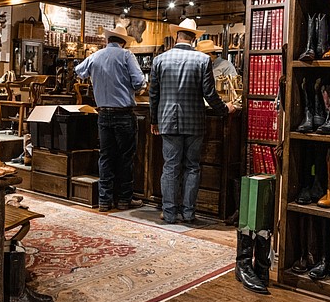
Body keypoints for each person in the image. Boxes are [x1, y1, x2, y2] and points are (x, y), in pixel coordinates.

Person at [150, 18, 236, 224]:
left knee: (170, 167)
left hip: (167, 120)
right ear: (194, 38)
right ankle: (188, 213)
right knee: (192, 167)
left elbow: (154, 94)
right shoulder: (203, 60)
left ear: (175, 35)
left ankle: (169, 213)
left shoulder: (160, 60)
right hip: (195, 121)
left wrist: (154, 120)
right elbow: (209, 94)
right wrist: (225, 109)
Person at [74, 23, 146, 212]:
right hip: (123, 114)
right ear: (123, 42)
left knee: (105, 157)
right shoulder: (126, 55)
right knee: (125, 157)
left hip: (103, 114)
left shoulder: (95, 56)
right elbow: (139, 82)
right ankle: (123, 199)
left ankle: (104, 200)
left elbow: (79, 71)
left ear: (107, 40)